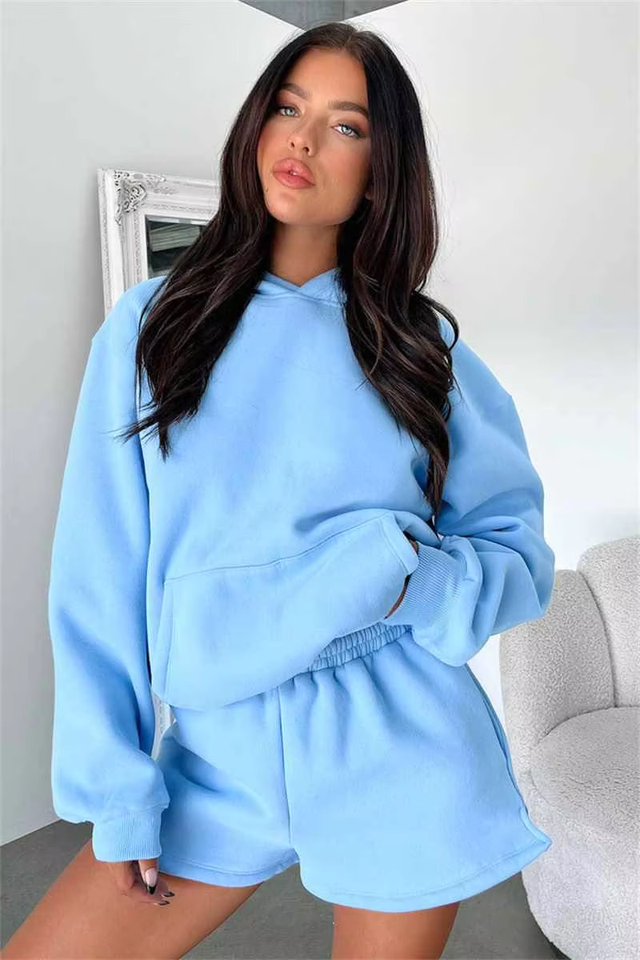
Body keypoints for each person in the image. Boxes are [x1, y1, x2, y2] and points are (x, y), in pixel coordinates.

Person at [2, 21, 556, 960]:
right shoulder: (150, 329)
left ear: (379, 172)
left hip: (397, 742)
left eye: (345, 125)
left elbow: (515, 551)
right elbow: (97, 580)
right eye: (288, 108)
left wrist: (410, 579)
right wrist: (117, 793)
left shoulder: (423, 350)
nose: (302, 139)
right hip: (216, 751)